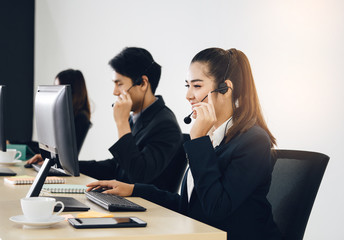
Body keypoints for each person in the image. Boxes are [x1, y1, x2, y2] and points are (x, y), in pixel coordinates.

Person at [86, 48, 282, 240]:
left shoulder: (253, 141)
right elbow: (189, 204)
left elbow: (216, 209)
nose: (188, 95)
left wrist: (198, 140)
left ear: (225, 89)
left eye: (196, 86)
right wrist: (134, 189)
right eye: (187, 86)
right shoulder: (212, 137)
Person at [79, 47, 184, 193]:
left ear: (142, 83)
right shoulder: (136, 117)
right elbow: (118, 166)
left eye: (119, 83)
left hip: (149, 210)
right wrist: (68, 164)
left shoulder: (165, 124)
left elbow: (138, 175)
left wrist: (121, 123)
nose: (115, 92)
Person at [27, 69, 91, 163]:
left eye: (57, 88)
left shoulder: (81, 118)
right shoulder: (63, 116)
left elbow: (66, 156)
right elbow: (49, 148)